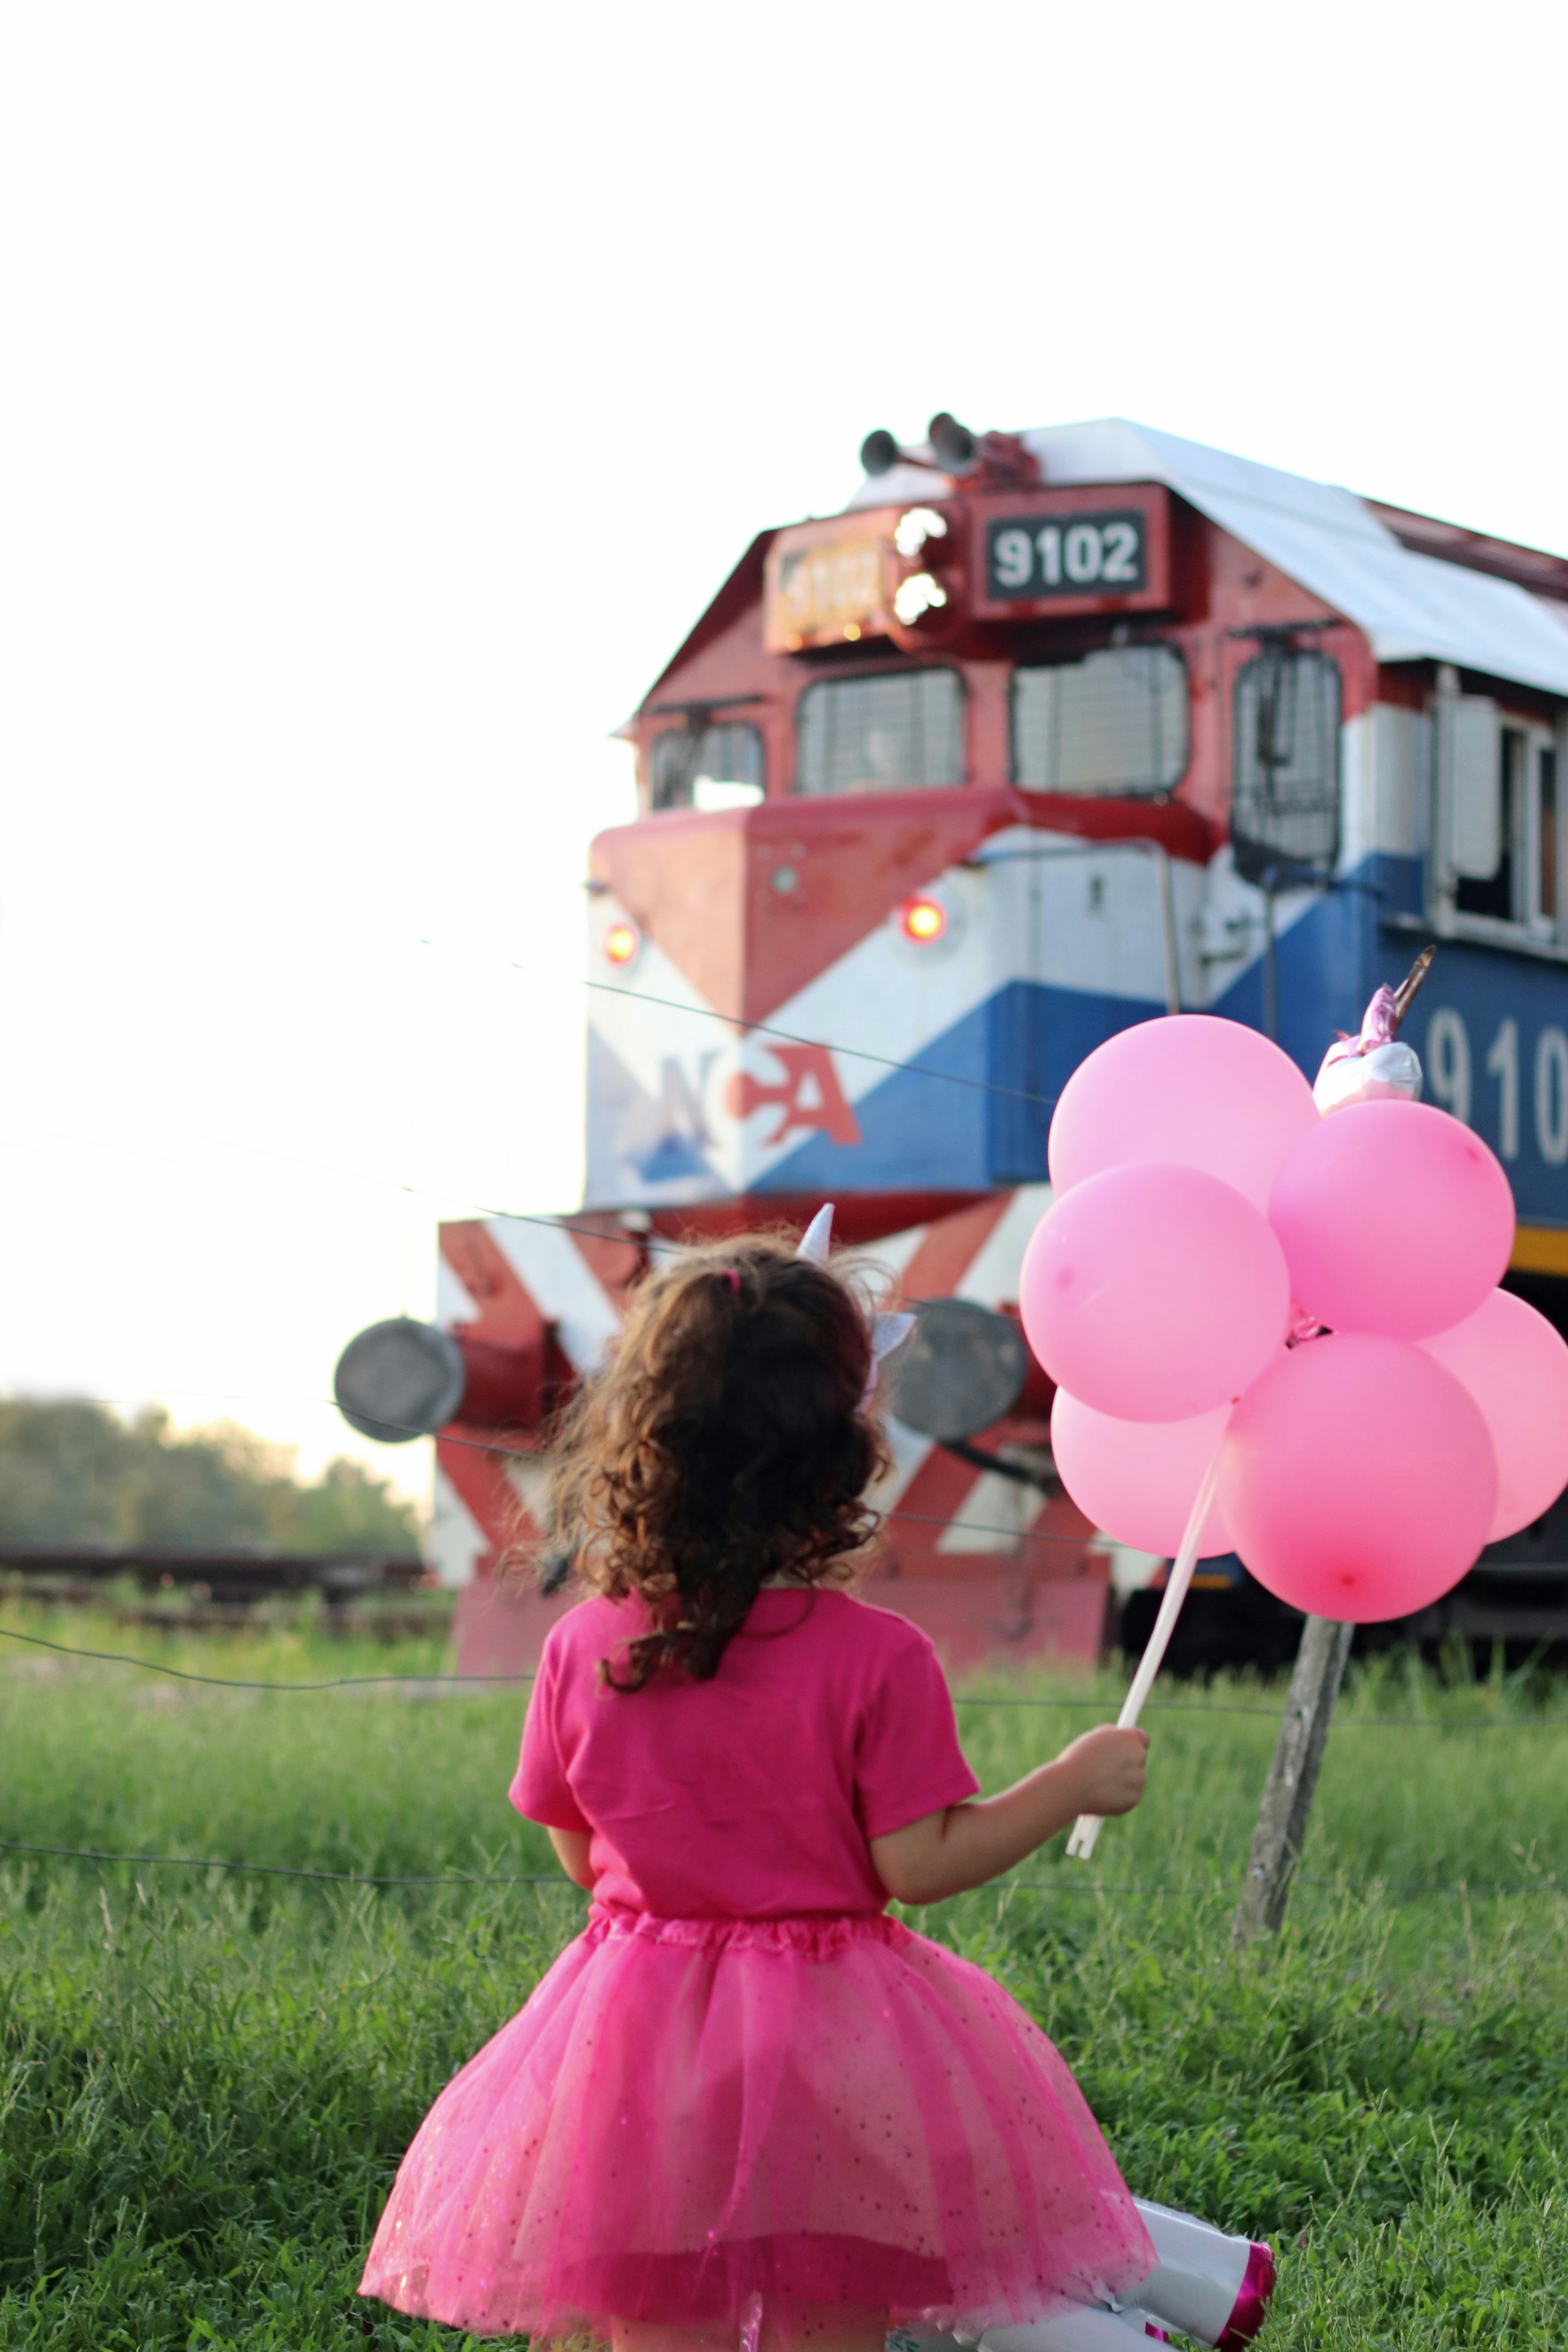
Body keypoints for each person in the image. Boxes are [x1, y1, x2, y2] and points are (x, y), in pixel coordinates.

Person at [359, 1230, 1158, 2350]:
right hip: (831, 2048)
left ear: (640, 1434)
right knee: (829, 2304)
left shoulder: (583, 1643)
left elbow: (580, 1851)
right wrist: (1067, 1783)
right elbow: (917, 1868)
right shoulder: (877, 1656)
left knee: (646, 2310)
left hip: (632, 2039)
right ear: (844, 1455)